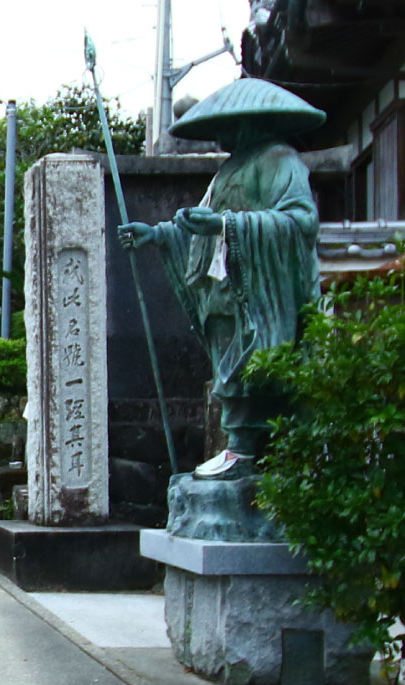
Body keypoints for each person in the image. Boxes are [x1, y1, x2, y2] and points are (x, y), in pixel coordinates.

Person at [117, 78, 325, 477]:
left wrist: (228, 225)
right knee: (228, 365)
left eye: (225, 126)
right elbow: (203, 223)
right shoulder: (229, 169)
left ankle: (251, 449)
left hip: (259, 289)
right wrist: (159, 234)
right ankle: (238, 447)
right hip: (224, 284)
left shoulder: (280, 159)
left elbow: (301, 221)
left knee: (255, 365)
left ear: (247, 122)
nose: (219, 136)